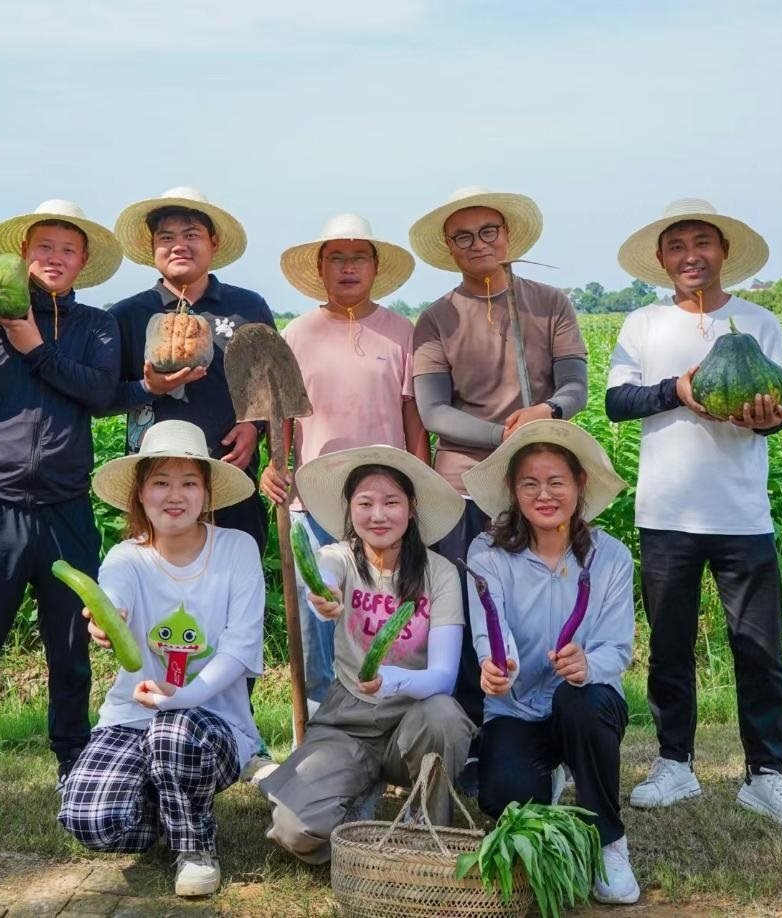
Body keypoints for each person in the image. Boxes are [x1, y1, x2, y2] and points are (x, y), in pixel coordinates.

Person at [607, 198, 782, 829]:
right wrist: (678, 389)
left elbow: (776, 411)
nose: (690, 256)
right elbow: (619, 400)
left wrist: (769, 418)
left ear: (723, 252)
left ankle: (766, 775)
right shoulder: (642, 325)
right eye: (677, 246)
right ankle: (676, 764)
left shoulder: (758, 323)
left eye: (702, 243)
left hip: (742, 514)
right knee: (670, 646)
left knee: (758, 648)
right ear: (662, 259)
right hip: (666, 513)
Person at [0, 200, 122, 815]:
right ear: (23, 256)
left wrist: (33, 345)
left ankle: (71, 759)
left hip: (66, 507)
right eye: (44, 247)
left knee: (69, 644)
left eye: (68, 249)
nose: (55, 258)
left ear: (84, 261)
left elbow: (98, 392)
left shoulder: (98, 326)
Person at [408, 185, 589, 789]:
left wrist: (549, 416)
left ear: (508, 237)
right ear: (449, 248)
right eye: (464, 236)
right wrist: (503, 433)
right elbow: (435, 412)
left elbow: (573, 388)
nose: (478, 244)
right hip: (464, 485)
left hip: (537, 482)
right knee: (464, 613)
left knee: (539, 610)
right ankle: (473, 737)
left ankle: (541, 732)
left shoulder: (549, 303)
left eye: (489, 232)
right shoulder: (435, 318)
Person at [58, 420, 265, 897]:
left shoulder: (237, 549)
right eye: (161, 483)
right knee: (91, 819)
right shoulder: (126, 558)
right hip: (132, 718)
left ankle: (195, 846)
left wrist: (184, 696)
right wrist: (104, 620)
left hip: (212, 723)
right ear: (140, 494)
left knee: (174, 730)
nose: (176, 495)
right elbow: (113, 600)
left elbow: (239, 647)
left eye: (189, 482)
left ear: (207, 492)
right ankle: (168, 804)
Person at [261, 445, 473, 864]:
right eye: (365, 503)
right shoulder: (338, 556)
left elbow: (444, 677)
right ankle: (356, 794)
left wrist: (389, 679)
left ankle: (427, 829)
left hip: (416, 719)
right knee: (294, 829)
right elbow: (323, 571)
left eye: (391, 502)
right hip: (348, 721)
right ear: (349, 509)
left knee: (445, 714)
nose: (378, 515)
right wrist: (321, 592)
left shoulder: (440, 572)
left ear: (411, 509)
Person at [462, 419, 639, 904]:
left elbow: (617, 648)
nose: (545, 494)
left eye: (556, 481)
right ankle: (552, 773)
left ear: (580, 485)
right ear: (514, 492)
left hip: (585, 703)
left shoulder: (612, 558)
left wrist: (589, 665)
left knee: (581, 702)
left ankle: (608, 840)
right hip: (516, 708)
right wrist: (497, 668)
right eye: (530, 483)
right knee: (504, 797)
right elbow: (488, 627)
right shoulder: (487, 553)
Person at [261, 213, 428, 717]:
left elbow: (413, 417)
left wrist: (420, 481)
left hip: (387, 502)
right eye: (337, 257)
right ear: (321, 267)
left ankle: (390, 721)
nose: (348, 267)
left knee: (384, 614)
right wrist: (275, 465)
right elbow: (283, 416)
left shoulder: (402, 332)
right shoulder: (297, 334)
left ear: (375, 267)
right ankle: (314, 726)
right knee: (320, 618)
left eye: (359, 257)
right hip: (314, 497)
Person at [106, 187, 275, 556]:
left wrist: (253, 426)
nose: (178, 245)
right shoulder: (127, 315)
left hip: (231, 476)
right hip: (158, 486)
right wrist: (146, 387)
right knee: (157, 592)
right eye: (166, 237)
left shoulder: (247, 307)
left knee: (235, 588)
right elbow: (103, 398)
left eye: (191, 235)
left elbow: (270, 385)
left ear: (213, 243)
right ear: (153, 247)